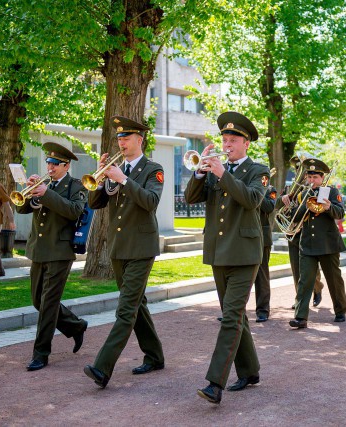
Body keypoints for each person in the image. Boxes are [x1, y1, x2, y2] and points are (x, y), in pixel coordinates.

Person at [185, 111, 270, 404]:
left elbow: (252, 200)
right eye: (224, 138)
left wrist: (223, 174)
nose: (228, 143)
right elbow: (190, 199)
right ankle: (250, 371)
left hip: (245, 253)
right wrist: (199, 172)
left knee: (230, 317)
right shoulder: (214, 169)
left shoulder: (259, 170)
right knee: (236, 316)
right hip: (219, 252)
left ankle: (214, 383)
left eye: (233, 139)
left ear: (246, 143)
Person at [83, 116, 165, 388]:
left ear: (139, 140)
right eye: (119, 138)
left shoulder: (153, 169)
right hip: (118, 248)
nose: (121, 142)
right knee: (137, 303)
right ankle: (154, 356)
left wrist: (124, 180)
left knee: (126, 308)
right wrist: (100, 174)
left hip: (142, 247)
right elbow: (96, 203)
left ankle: (102, 367)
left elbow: (151, 202)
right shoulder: (114, 169)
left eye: (126, 138)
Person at [17, 142, 89, 372]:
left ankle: (41, 353)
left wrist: (46, 194)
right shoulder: (43, 184)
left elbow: (74, 210)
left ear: (66, 166)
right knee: (38, 301)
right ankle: (76, 326)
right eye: (48, 163)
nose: (50, 167)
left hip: (60, 252)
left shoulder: (75, 186)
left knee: (48, 304)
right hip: (38, 249)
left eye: (55, 164)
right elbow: (21, 208)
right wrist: (26, 189)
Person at [286, 158, 346, 329]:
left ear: (322, 177)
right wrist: (306, 206)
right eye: (309, 177)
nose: (311, 181)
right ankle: (300, 317)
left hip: (328, 243)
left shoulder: (330, 191)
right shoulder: (302, 194)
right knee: (304, 281)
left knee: (334, 279)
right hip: (308, 244)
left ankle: (340, 310)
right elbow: (293, 217)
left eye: (315, 177)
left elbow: (340, 213)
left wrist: (328, 207)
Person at [282, 155, 325, 308]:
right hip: (293, 230)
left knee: (311, 268)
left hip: (310, 230)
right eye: (298, 168)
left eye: (303, 169)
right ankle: (299, 299)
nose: (300, 172)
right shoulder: (290, 188)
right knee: (296, 267)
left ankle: (317, 287)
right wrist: (284, 199)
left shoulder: (320, 188)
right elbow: (281, 207)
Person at [254, 182, 277, 322]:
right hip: (241, 237)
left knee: (261, 275)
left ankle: (263, 310)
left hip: (262, 237)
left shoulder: (269, 189)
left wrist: (256, 191)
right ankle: (232, 310)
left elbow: (269, 207)